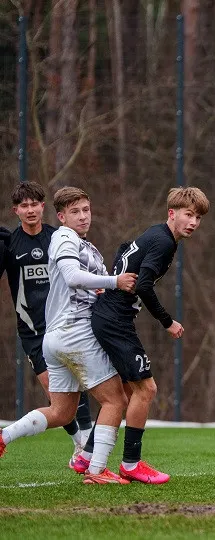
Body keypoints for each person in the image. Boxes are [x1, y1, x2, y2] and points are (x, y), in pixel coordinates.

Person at [0, 187, 137, 484]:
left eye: (86, 210)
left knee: (62, 412)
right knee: (116, 400)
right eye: (75, 211)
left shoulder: (77, 242)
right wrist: (115, 281)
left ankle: (4, 436)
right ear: (61, 216)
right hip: (72, 333)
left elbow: (82, 284)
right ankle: (97, 471)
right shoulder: (64, 238)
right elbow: (73, 277)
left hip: (55, 336)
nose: (83, 216)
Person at [73, 187, 209, 484]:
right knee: (146, 390)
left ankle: (87, 456)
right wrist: (167, 321)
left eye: (198, 217)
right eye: (188, 215)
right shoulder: (164, 242)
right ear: (172, 213)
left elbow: (125, 249)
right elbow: (144, 285)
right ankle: (131, 464)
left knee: (125, 392)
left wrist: (115, 279)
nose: (193, 222)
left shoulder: (155, 233)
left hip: (108, 316)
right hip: (115, 322)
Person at [0, 181, 95, 467]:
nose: (30, 210)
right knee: (57, 396)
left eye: (34, 204)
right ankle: (80, 443)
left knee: (76, 386)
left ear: (43, 207)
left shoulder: (58, 238)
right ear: (16, 211)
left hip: (64, 325)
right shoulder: (10, 244)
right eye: (24, 206)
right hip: (32, 332)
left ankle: (83, 446)